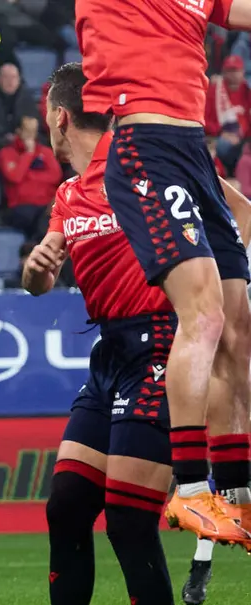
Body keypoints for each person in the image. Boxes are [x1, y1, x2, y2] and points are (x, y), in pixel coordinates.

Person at [0, 62, 251, 605]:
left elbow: (227, 204)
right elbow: (37, 280)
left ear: (55, 117)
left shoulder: (135, 162)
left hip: (164, 344)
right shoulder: (71, 191)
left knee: (130, 518)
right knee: (67, 504)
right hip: (110, 353)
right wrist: (35, 268)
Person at [79, 0, 251, 552]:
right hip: (145, 147)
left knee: (238, 329)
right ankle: (190, 485)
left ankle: (240, 497)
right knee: (202, 316)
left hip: (194, 152)